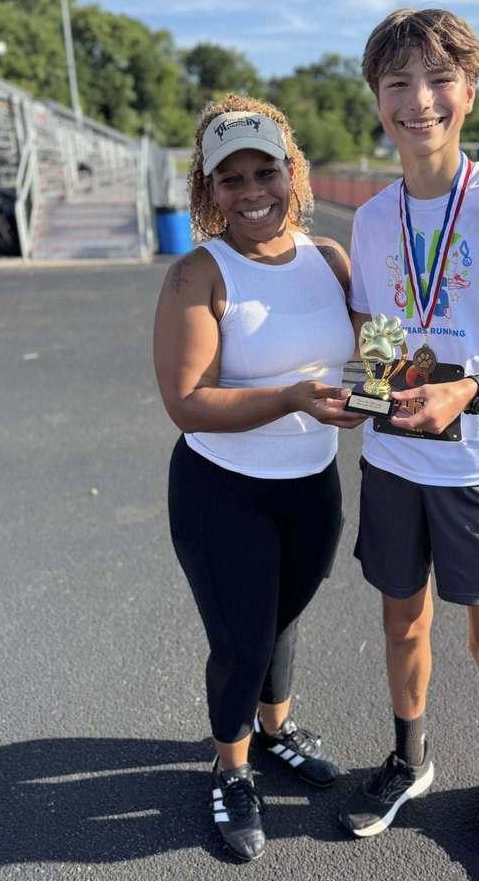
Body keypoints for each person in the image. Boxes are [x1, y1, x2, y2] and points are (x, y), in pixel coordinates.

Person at [340, 9, 479, 881]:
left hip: (478, 465)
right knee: (402, 622)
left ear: (468, 93)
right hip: (395, 462)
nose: (418, 100)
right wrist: (366, 394)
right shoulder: (369, 217)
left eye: (437, 81)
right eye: (398, 84)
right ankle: (410, 758)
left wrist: (469, 389)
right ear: (378, 101)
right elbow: (381, 337)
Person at [153, 94, 363, 862]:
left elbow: (371, 357)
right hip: (223, 490)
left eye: (265, 171)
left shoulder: (331, 259)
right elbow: (188, 403)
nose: (252, 192)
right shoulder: (197, 275)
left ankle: (277, 730)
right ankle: (232, 767)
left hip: (312, 482)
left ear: (292, 172)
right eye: (230, 179)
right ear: (206, 191)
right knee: (241, 639)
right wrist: (290, 398)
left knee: (283, 620)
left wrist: (385, 390)